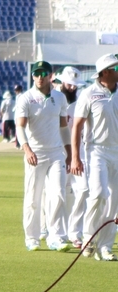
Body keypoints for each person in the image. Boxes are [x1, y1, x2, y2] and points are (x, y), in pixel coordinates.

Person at [15, 60, 71, 252]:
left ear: (50, 76)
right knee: (33, 197)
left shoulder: (59, 98)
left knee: (58, 194)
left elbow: (63, 127)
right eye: (36, 73)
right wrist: (27, 149)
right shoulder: (26, 98)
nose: (39, 77)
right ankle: (32, 237)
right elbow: (20, 127)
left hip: (56, 153)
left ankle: (55, 236)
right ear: (33, 76)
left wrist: (70, 152)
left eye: (43, 73)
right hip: (35, 153)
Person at [70, 54, 118, 261]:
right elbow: (77, 126)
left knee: (113, 202)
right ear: (105, 72)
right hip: (97, 151)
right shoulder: (89, 94)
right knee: (98, 194)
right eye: (115, 68)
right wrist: (75, 157)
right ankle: (89, 238)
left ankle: (105, 247)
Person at [59, 67, 87, 249]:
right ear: (62, 82)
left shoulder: (82, 102)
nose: (72, 87)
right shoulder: (56, 99)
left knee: (83, 189)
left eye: (74, 85)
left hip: (79, 151)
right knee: (58, 193)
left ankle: (75, 232)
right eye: (69, 84)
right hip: (58, 151)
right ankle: (56, 232)